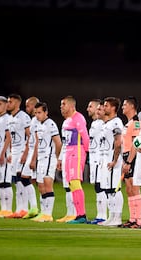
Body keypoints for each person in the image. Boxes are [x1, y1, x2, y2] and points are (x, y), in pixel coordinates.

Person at [58, 96, 90, 224]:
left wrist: (87, 153)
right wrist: (61, 158)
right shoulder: (67, 121)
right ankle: (77, 214)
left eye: (64, 104)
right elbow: (65, 142)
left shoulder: (78, 118)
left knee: (75, 182)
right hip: (67, 154)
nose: (61, 106)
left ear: (71, 106)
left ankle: (81, 215)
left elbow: (85, 136)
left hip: (76, 153)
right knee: (71, 184)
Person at [31, 102, 62, 222]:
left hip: (49, 158)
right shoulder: (38, 125)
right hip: (40, 158)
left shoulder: (51, 124)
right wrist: (34, 158)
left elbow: (58, 142)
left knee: (47, 185)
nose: (37, 115)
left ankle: (48, 214)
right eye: (35, 113)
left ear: (45, 112)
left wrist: (57, 157)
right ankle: (43, 213)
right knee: (40, 186)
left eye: (39, 113)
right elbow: (38, 143)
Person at [98, 96, 124, 227]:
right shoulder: (107, 123)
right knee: (108, 190)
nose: (104, 108)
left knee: (115, 189)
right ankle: (111, 216)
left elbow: (118, 142)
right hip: (106, 161)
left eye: (107, 105)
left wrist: (115, 160)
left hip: (113, 162)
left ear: (113, 108)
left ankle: (117, 217)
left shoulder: (116, 123)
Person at [5, 93, 31, 218]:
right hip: (14, 153)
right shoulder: (10, 118)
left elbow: (30, 136)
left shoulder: (24, 117)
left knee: (21, 181)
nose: (8, 104)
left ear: (16, 103)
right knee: (16, 181)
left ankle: (24, 209)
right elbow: (10, 137)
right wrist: (10, 152)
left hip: (21, 152)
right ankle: (18, 209)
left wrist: (26, 153)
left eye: (10, 102)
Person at [120, 96, 141, 228]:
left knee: (134, 188)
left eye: (124, 105)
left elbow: (136, 143)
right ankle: (132, 218)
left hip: (132, 157)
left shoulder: (136, 123)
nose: (123, 107)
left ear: (131, 107)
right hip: (126, 156)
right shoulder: (128, 123)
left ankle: (138, 220)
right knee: (129, 189)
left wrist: (129, 161)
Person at [86, 98, 107, 224]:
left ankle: (103, 216)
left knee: (101, 187)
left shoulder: (102, 124)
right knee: (97, 187)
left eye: (91, 107)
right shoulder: (94, 123)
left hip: (100, 159)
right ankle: (100, 215)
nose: (88, 109)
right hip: (94, 160)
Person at [21, 96, 40, 219]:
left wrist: (33, 158)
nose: (26, 108)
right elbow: (30, 138)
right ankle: (34, 208)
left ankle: (37, 209)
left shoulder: (38, 120)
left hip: (37, 153)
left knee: (35, 181)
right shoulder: (33, 120)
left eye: (28, 105)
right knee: (27, 179)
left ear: (34, 106)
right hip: (32, 152)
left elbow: (38, 140)